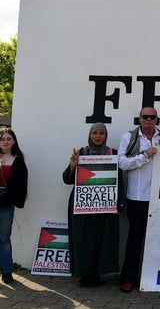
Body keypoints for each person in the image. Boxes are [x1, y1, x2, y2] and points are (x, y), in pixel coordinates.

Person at [62, 123, 124, 287]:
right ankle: (84, 272)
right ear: (90, 135)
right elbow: (67, 180)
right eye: (94, 133)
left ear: (105, 136)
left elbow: (119, 180)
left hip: (105, 205)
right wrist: (73, 165)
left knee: (102, 239)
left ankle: (97, 273)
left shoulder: (113, 154)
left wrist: (119, 203)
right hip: (81, 205)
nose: (98, 136)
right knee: (83, 238)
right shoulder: (81, 153)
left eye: (101, 133)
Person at [118, 107, 160, 292]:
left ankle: (152, 277)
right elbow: (122, 163)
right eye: (145, 116)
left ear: (157, 119)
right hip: (137, 196)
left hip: (159, 197)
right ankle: (128, 278)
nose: (149, 119)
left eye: (152, 117)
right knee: (135, 238)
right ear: (139, 119)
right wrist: (145, 156)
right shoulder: (129, 137)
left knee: (158, 239)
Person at [0, 127, 28, 284]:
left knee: (4, 238)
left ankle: (7, 271)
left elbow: (19, 184)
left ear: (14, 141)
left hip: (6, 199)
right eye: (2, 138)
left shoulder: (18, 160)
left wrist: (6, 200)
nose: (5, 142)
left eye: (8, 139)